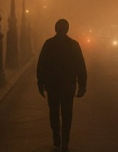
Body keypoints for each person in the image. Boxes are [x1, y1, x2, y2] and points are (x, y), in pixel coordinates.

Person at [37, 19, 87, 151]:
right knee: (67, 113)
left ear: (55, 29)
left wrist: (40, 83)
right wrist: (82, 85)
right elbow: (81, 66)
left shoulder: (49, 44)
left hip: (52, 85)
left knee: (53, 112)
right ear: (67, 29)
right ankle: (65, 141)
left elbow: (41, 65)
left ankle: (56, 137)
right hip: (68, 85)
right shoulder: (74, 45)